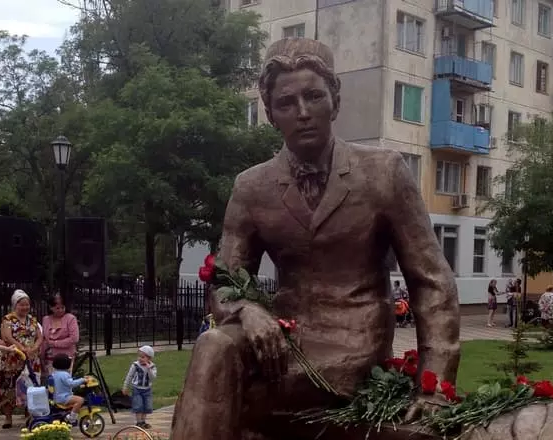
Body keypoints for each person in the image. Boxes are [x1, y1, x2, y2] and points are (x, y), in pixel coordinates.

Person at [171, 38, 460, 439]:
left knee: (219, 374)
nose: (303, 112)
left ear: (335, 103)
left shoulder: (384, 173)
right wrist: (247, 312)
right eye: (287, 103)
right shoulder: (252, 187)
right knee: (214, 347)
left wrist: (434, 387)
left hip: (355, 347)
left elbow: (432, 283)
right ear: (271, 114)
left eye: (314, 97)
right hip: (281, 345)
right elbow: (225, 281)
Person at [0, 289, 42, 429]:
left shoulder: (32, 320)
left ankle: (29, 414)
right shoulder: (8, 319)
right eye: (21, 304)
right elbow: (7, 337)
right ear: (15, 305)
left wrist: (34, 347)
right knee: (9, 387)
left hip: (31, 359)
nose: (25, 307)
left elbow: (40, 336)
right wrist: (20, 347)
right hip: (12, 359)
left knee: (31, 385)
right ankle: (8, 417)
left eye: (27, 304)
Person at [41, 295, 79, 378]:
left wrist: (54, 343)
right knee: (51, 384)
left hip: (65, 358)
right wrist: (41, 356)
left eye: (63, 307)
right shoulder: (46, 319)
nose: (61, 310)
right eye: (57, 308)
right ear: (51, 307)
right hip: (49, 358)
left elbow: (74, 338)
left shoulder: (70, 318)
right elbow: (44, 338)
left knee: (63, 382)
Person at [122, 345, 157, 429]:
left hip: (147, 389)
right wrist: (125, 387)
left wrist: (149, 369)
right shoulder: (135, 365)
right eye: (139, 356)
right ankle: (139, 422)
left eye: (143, 357)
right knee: (138, 405)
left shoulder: (152, 367)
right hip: (137, 388)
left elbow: (153, 378)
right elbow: (129, 376)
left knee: (146, 406)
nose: (140, 358)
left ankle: (143, 421)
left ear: (149, 358)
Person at [50, 354, 86, 424]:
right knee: (80, 400)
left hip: (57, 396)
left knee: (76, 398)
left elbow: (65, 384)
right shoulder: (64, 374)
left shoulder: (55, 373)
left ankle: (71, 414)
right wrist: (82, 380)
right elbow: (71, 384)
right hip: (63, 398)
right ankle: (71, 418)